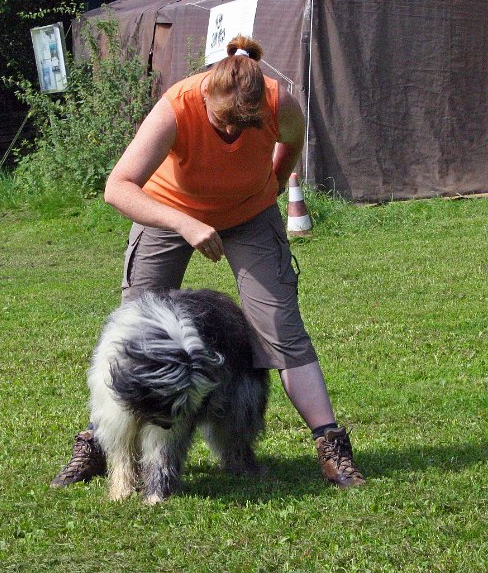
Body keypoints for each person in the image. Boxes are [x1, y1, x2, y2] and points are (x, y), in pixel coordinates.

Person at [51, 36, 365, 489]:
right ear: (205, 96)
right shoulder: (176, 107)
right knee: (136, 329)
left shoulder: (279, 102)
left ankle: (330, 445)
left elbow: (292, 141)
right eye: (224, 122)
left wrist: (273, 185)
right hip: (169, 209)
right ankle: (100, 442)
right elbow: (117, 187)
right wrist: (185, 224)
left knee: (281, 326)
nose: (233, 132)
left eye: (244, 124)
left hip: (249, 213)